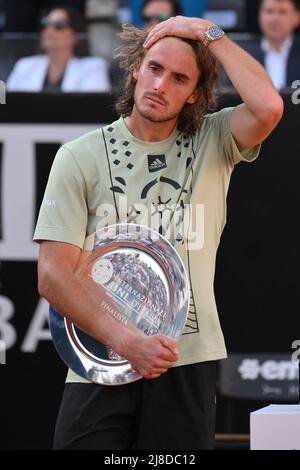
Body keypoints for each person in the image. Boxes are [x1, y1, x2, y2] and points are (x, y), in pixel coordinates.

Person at [34, 16, 283, 449]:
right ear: (136, 68)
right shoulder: (78, 156)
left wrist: (207, 30)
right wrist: (127, 343)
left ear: (193, 94)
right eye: (154, 68)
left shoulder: (215, 138)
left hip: (184, 361)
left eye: (179, 78)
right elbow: (53, 276)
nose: (160, 84)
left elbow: (268, 106)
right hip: (100, 359)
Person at [6, 6, 111, 92]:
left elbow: (95, 110)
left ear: (76, 34)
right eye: (46, 24)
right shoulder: (24, 65)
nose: (49, 30)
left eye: (59, 25)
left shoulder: (94, 67)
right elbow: (9, 108)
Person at [243, 0, 300, 90]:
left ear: (297, 17)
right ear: (259, 15)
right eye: (269, 11)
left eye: (282, 12)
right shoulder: (243, 55)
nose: (275, 18)